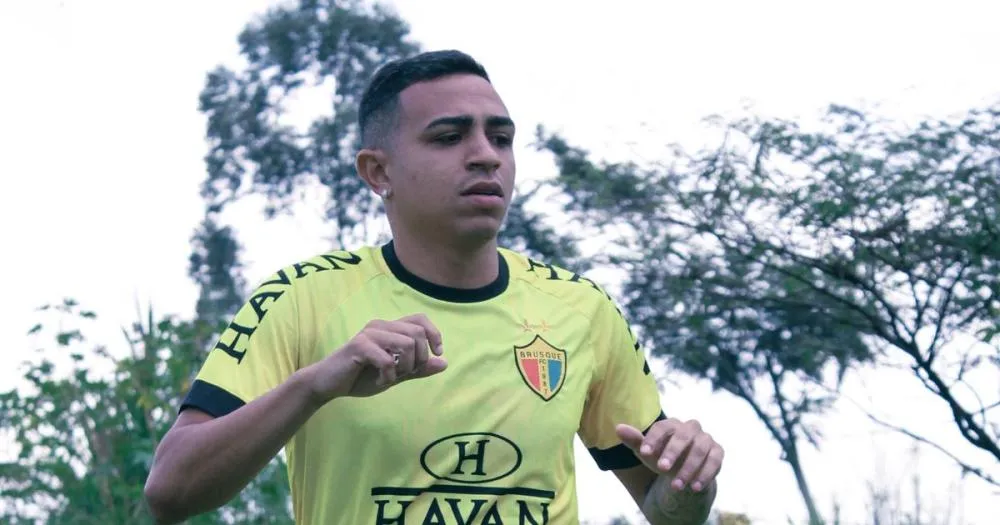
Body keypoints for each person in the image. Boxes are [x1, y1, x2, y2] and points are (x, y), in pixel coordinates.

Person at [144, 49, 725, 525]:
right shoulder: (303, 297)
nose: (486, 156)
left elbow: (666, 511)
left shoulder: (581, 309)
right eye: (449, 137)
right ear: (378, 172)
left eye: (501, 138)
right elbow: (170, 489)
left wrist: (690, 481)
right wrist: (315, 385)